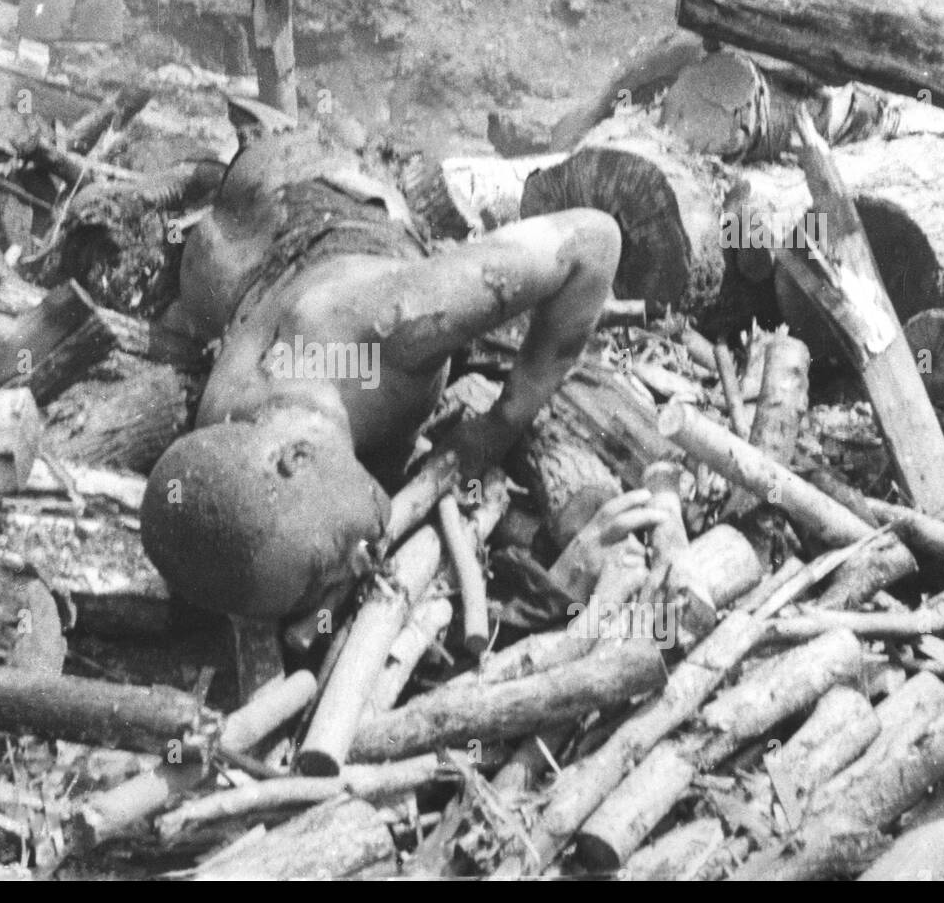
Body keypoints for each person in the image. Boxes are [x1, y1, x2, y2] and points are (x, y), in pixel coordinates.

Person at [141, 126, 622, 636]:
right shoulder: (227, 439)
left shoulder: (388, 333)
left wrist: (503, 422)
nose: (351, 569)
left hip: (308, 178)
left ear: (295, 457)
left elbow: (594, 240)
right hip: (232, 250)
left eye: (325, 565)